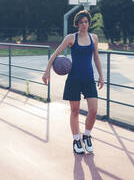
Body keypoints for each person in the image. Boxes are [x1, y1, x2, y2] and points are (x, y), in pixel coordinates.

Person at [42, 10, 104, 154]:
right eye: (81, 22)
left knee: (93, 111)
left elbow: (96, 58)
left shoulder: (94, 38)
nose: (84, 24)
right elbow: (56, 53)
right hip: (74, 79)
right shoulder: (71, 38)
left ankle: (87, 136)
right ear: (77, 24)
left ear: (89, 23)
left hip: (89, 79)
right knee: (75, 111)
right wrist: (47, 71)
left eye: (86, 22)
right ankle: (76, 140)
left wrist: (101, 76)